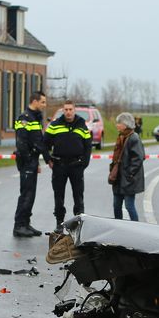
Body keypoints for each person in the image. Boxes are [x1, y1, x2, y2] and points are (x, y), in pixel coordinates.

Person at [43, 99, 93, 231]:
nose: (68, 112)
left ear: (74, 110)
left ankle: (79, 223)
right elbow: (44, 143)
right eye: (66, 110)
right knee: (58, 195)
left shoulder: (82, 124)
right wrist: (48, 159)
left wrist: (85, 163)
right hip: (59, 165)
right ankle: (59, 222)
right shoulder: (55, 125)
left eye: (70, 109)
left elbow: (88, 145)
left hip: (76, 165)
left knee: (78, 195)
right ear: (63, 110)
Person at [13, 91, 51, 237]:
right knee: (26, 194)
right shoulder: (25, 118)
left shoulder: (36, 117)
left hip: (33, 161)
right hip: (26, 161)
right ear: (34, 101)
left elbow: (38, 141)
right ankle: (19, 225)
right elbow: (21, 142)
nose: (44, 105)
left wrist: (39, 161)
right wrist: (29, 160)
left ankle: (26, 223)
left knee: (31, 194)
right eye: (42, 102)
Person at [108, 112, 145, 221]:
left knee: (129, 206)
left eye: (119, 123)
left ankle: (137, 228)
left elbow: (138, 158)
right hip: (119, 179)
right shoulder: (121, 136)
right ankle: (118, 227)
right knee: (116, 205)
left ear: (125, 124)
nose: (117, 125)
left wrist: (129, 174)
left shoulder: (134, 138)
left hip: (129, 179)